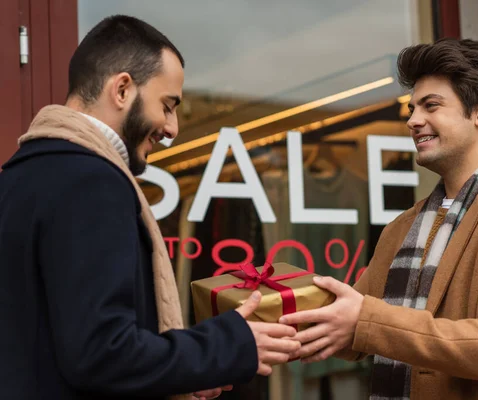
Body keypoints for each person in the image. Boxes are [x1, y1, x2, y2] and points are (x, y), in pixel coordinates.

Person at [0, 15, 299, 400]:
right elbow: (103, 354)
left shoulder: (18, 177)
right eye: (167, 105)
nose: (173, 128)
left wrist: (186, 374)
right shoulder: (92, 181)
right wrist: (230, 345)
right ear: (122, 89)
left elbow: (50, 349)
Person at [279, 38, 478, 399]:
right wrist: (269, 318)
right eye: (412, 108)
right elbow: (352, 329)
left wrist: (367, 320)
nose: (414, 121)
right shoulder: (403, 227)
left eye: (431, 105)